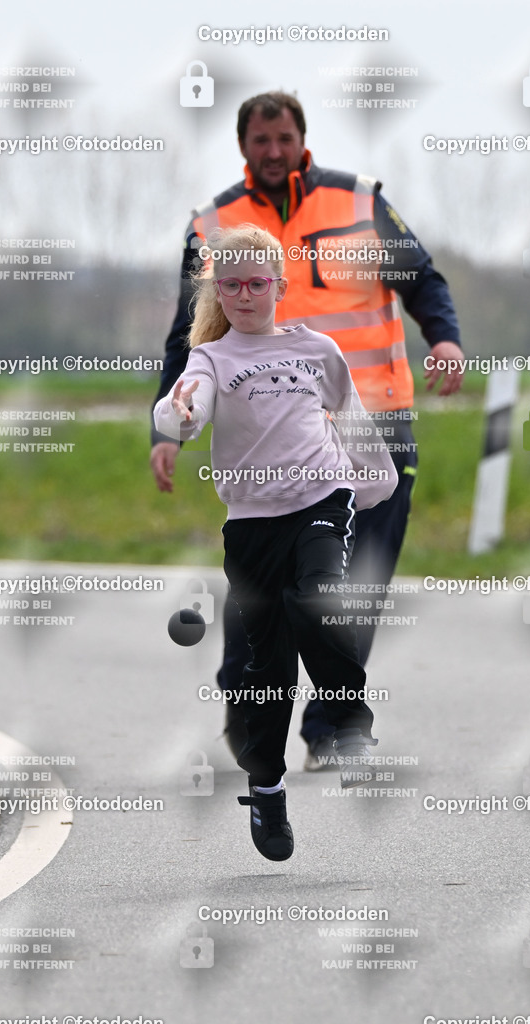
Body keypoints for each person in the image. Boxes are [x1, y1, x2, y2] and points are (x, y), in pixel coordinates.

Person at [150, 91, 464, 768]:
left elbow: (424, 282)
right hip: (271, 439)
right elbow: (188, 335)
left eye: (283, 138)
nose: (272, 151)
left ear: (302, 137)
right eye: (260, 141)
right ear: (243, 146)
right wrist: (168, 429)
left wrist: (444, 340)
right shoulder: (214, 224)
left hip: (372, 424)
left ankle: (333, 730)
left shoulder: (360, 202)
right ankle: (250, 699)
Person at [154, 225, 398, 861]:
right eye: (229, 284)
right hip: (251, 525)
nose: (243, 293)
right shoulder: (210, 358)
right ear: (219, 290)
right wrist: (176, 417)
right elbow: (190, 402)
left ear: (278, 287)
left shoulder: (317, 349)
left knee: (317, 597)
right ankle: (266, 787)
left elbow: (349, 413)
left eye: (256, 283)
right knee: (266, 672)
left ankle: (348, 724)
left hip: (321, 498)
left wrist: (374, 484)